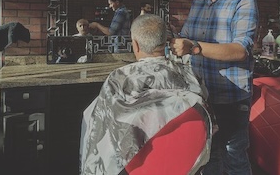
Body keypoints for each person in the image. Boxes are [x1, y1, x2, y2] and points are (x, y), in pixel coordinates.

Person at [79, 14, 211, 175]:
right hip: (183, 163)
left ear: (135, 44)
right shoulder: (190, 74)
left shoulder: (120, 78)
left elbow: (100, 133)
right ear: (165, 41)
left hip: (138, 166)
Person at [170, 0, 259, 175]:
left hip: (231, 97)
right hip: (202, 96)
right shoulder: (198, 3)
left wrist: (195, 47)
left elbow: (240, 51)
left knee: (234, 157)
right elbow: (185, 37)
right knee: (207, 157)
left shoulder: (243, 0)